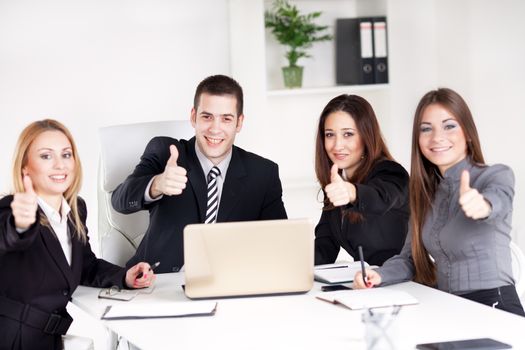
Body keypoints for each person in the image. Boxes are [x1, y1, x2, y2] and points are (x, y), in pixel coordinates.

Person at [354, 88, 525, 317]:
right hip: (448, 306)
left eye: (449, 125)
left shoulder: (495, 175)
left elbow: (498, 201)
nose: (437, 137)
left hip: (494, 307)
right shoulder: (425, 194)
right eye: (426, 129)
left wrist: (482, 205)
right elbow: (410, 259)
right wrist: (379, 275)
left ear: (468, 133)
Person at [0, 119, 156, 349]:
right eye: (46, 156)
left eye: (66, 154)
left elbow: (85, 265)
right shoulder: (11, 209)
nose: (59, 165)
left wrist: (124, 277)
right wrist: (20, 224)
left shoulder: (75, 210)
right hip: (12, 339)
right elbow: (8, 237)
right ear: (25, 166)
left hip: (49, 340)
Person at [112, 74, 287, 273]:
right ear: (193, 117)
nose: (215, 129)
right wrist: (157, 184)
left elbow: (279, 245)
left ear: (239, 123)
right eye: (207, 117)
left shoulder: (263, 174)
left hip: (229, 286)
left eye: (226, 119)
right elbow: (119, 201)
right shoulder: (166, 152)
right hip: (158, 284)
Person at [314, 94, 409, 266]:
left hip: (405, 282)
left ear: (366, 136)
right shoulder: (337, 184)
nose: (337, 145)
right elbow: (325, 246)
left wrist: (352, 192)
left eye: (348, 134)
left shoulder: (391, 172)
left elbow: (381, 198)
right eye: (330, 135)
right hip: (367, 285)